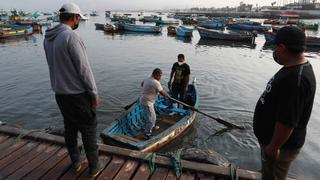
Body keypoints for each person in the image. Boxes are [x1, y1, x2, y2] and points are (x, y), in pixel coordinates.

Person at [43, 3, 102, 178]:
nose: (79, 22)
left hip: (60, 94)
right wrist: (94, 93)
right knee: (88, 129)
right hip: (78, 95)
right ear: (74, 17)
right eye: (78, 18)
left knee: (70, 129)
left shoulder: (48, 38)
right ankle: (94, 167)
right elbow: (84, 69)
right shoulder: (71, 37)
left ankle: (76, 162)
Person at [253, 26, 316, 180]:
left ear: (282, 47)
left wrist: (273, 147)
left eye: (276, 47)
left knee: (273, 176)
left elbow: (287, 121)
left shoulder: (296, 80)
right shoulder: (292, 68)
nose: (274, 51)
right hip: (273, 144)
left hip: (280, 148)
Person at [140, 68, 169, 139]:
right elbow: (162, 92)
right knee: (151, 118)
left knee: (151, 116)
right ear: (155, 75)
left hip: (144, 100)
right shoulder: (156, 82)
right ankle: (147, 134)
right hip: (148, 103)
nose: (160, 77)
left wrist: (150, 90)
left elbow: (142, 84)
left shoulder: (148, 77)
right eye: (160, 76)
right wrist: (167, 96)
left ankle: (151, 126)